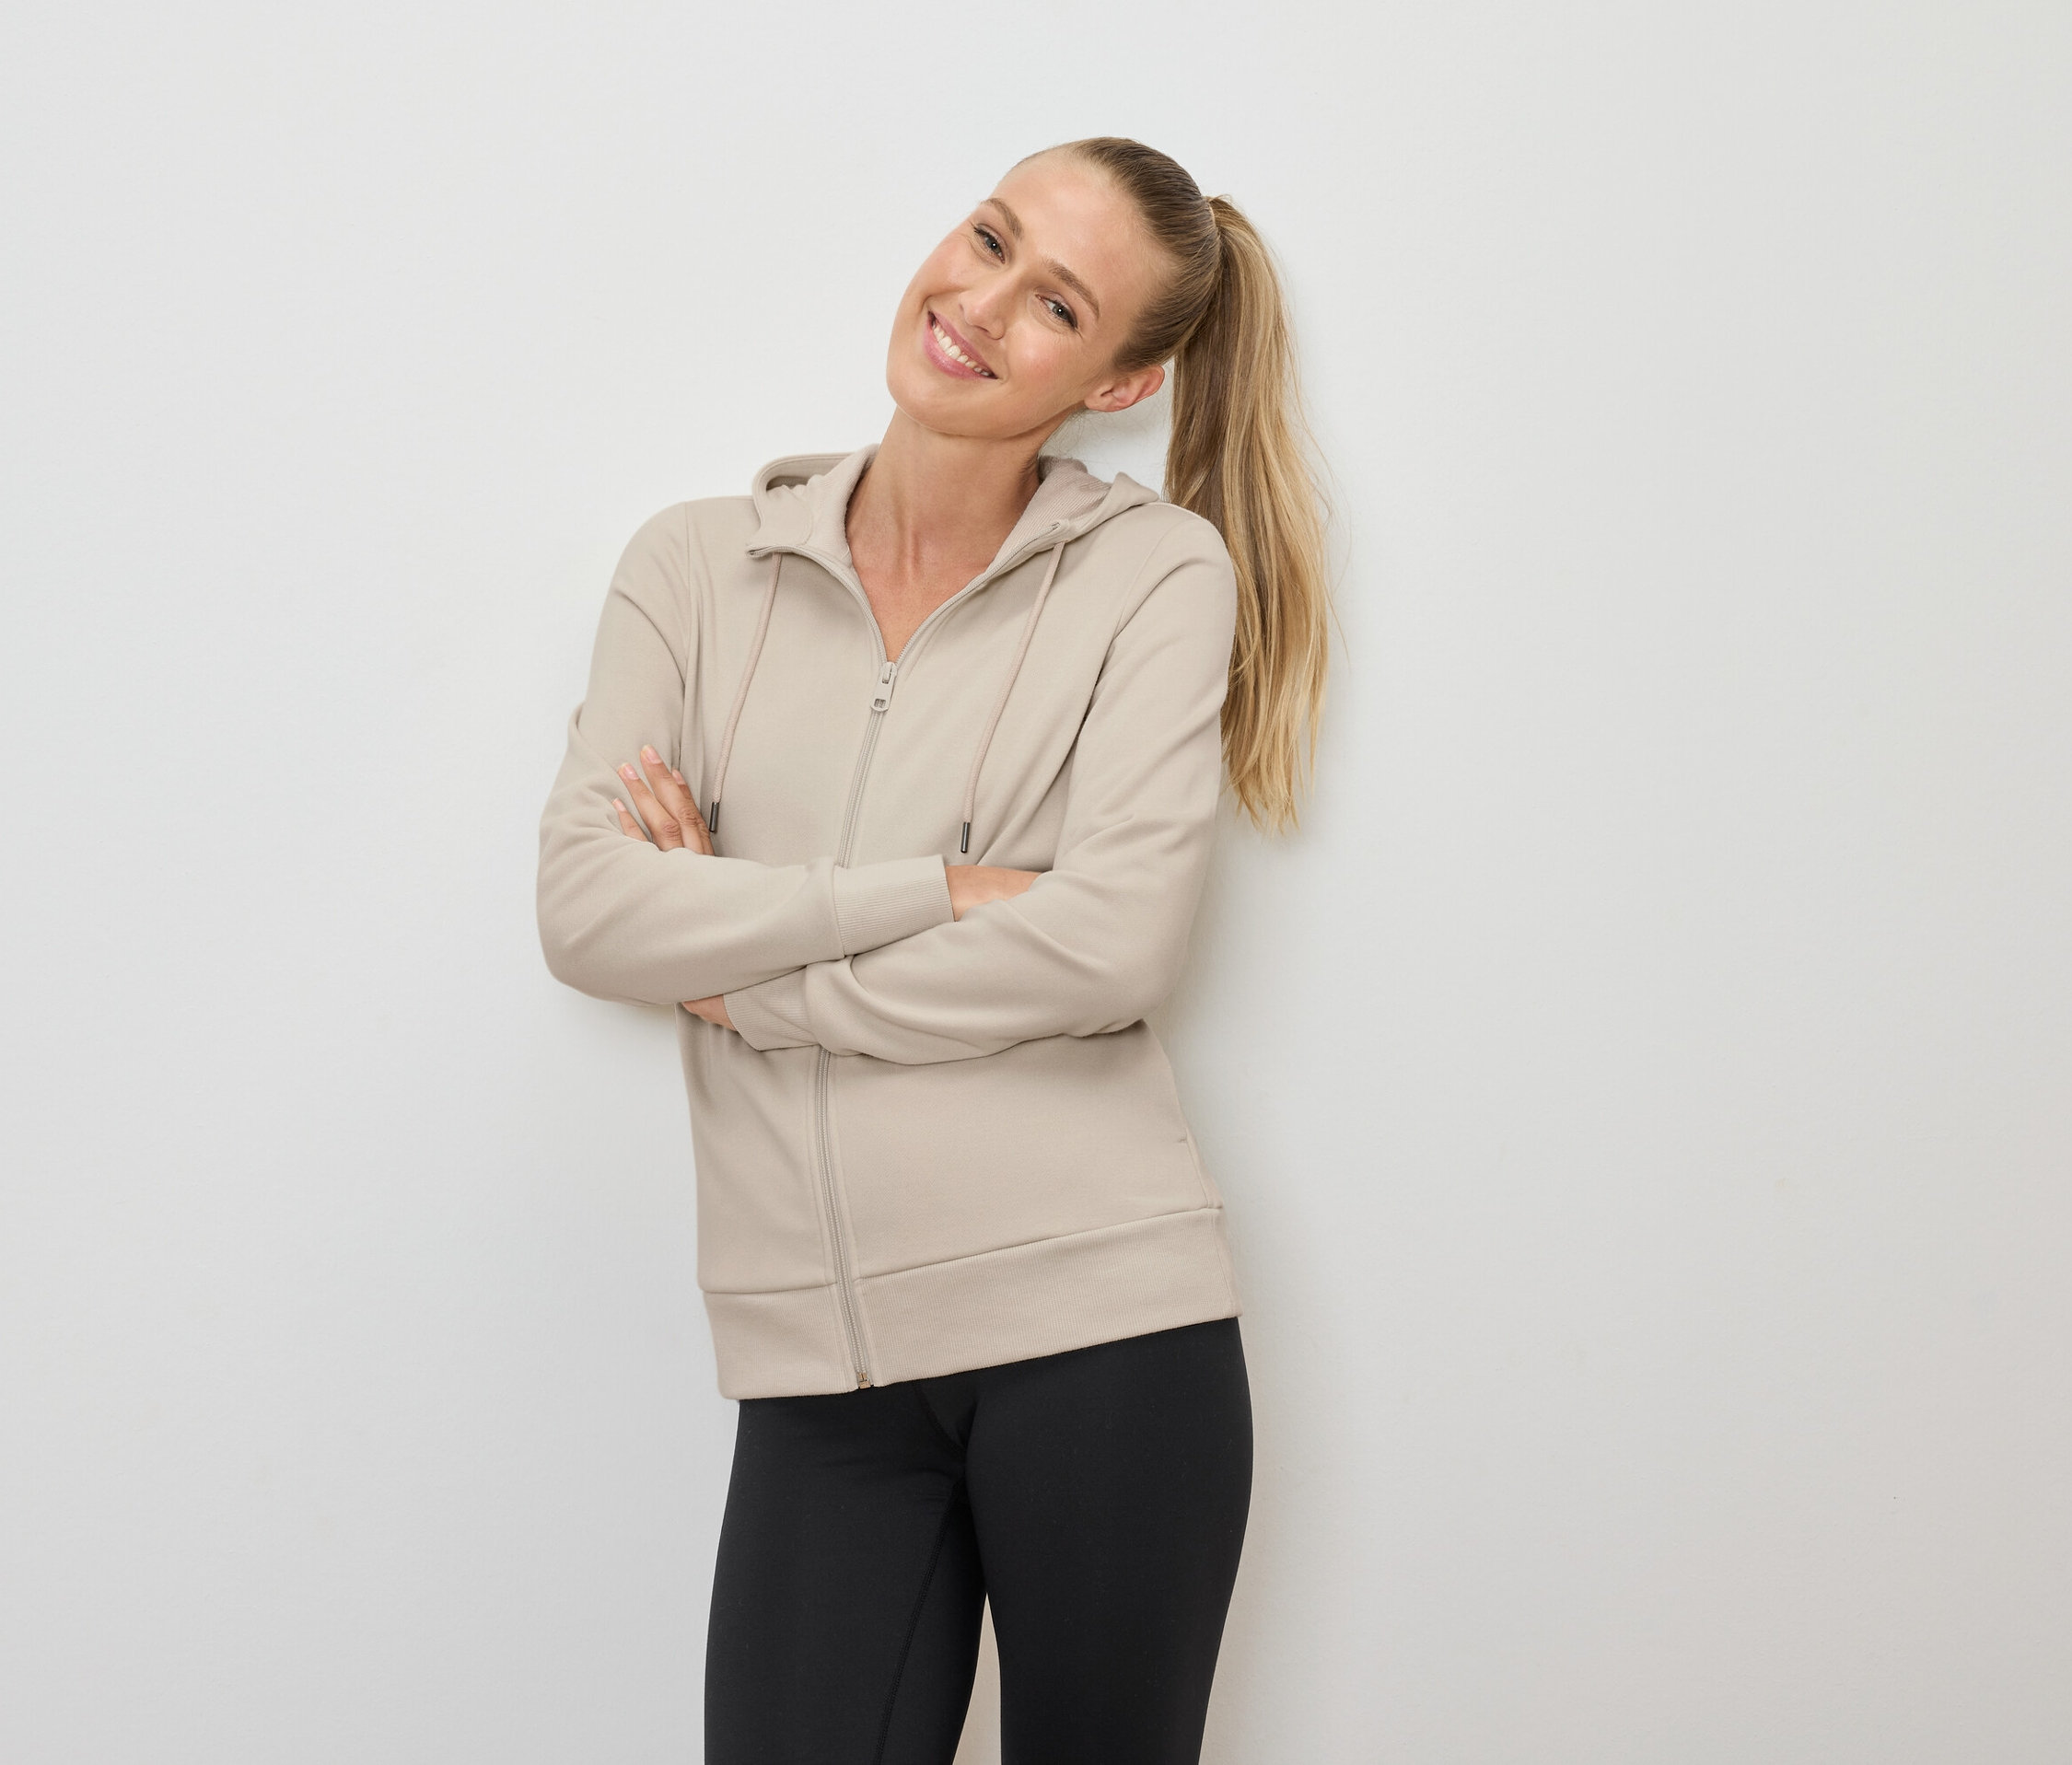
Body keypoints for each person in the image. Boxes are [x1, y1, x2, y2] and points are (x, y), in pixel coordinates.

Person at [536, 134, 1331, 1765]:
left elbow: (1107, 947)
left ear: (1123, 378)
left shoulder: (1152, 576)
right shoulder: (698, 566)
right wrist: (938, 889)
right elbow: (586, 907)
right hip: (819, 1373)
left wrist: (737, 960)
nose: (972, 304)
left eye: (1052, 303)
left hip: (1104, 1339)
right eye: (985, 238)